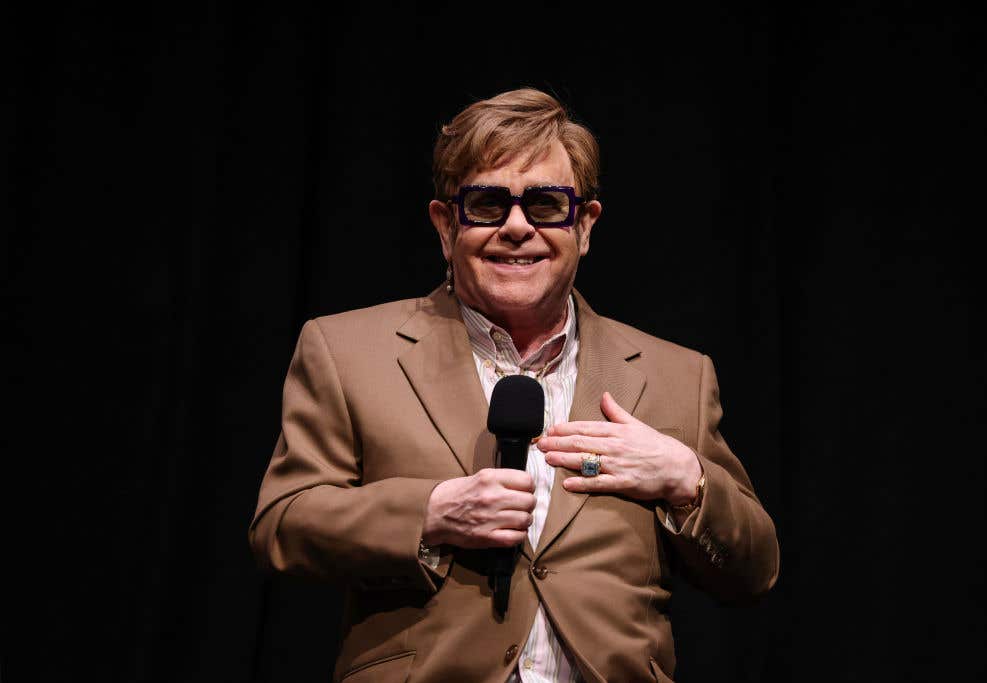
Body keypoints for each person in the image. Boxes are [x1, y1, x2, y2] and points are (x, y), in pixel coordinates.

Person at [249, 88, 779, 683]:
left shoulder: (674, 375)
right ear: (446, 225)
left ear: (584, 225)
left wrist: (688, 482)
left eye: (547, 205)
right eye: (487, 204)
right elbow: (282, 526)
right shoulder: (346, 351)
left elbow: (753, 571)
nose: (518, 228)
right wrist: (429, 513)